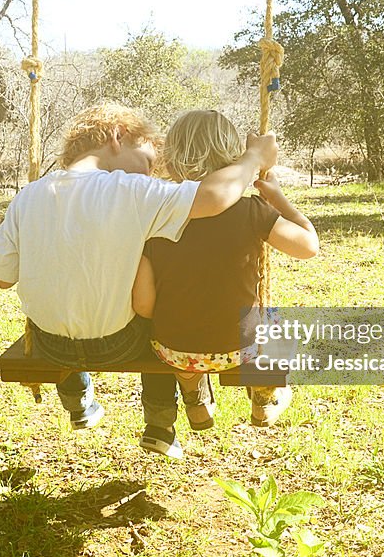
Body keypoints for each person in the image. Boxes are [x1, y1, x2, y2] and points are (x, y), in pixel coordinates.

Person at [0, 102, 278, 459]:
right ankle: (160, 421)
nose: (152, 170)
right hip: (117, 344)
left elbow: (2, 279)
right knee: (160, 321)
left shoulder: (27, 196)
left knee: (69, 303)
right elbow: (216, 196)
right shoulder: (133, 190)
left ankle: (78, 399)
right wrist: (253, 158)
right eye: (148, 157)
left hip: (49, 345)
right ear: (118, 135)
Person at [132, 110, 318, 444]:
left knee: (180, 344)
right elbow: (308, 247)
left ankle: (195, 400)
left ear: (171, 163)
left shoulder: (156, 216)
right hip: (240, 350)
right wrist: (277, 198)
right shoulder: (251, 211)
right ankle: (263, 399)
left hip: (175, 351)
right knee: (278, 323)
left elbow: (144, 306)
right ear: (234, 159)